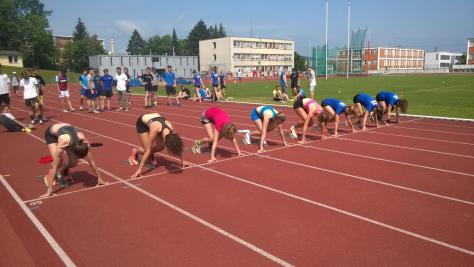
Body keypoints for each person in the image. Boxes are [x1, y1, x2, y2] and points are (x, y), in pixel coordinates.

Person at [42, 122, 108, 197]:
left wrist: (99, 178)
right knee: (58, 162)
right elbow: (54, 166)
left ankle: (64, 169)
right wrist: (49, 191)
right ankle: (49, 177)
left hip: (68, 133)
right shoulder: (64, 142)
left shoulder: (85, 142)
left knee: (73, 163)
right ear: (74, 151)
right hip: (52, 135)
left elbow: (91, 161)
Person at [129, 113, 186, 178]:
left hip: (156, 120)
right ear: (165, 140)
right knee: (148, 149)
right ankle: (135, 151)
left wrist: (182, 160)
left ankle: (151, 153)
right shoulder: (155, 129)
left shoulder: (172, 129)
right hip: (142, 123)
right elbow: (148, 150)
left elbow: (177, 145)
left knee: (161, 147)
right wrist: (139, 170)